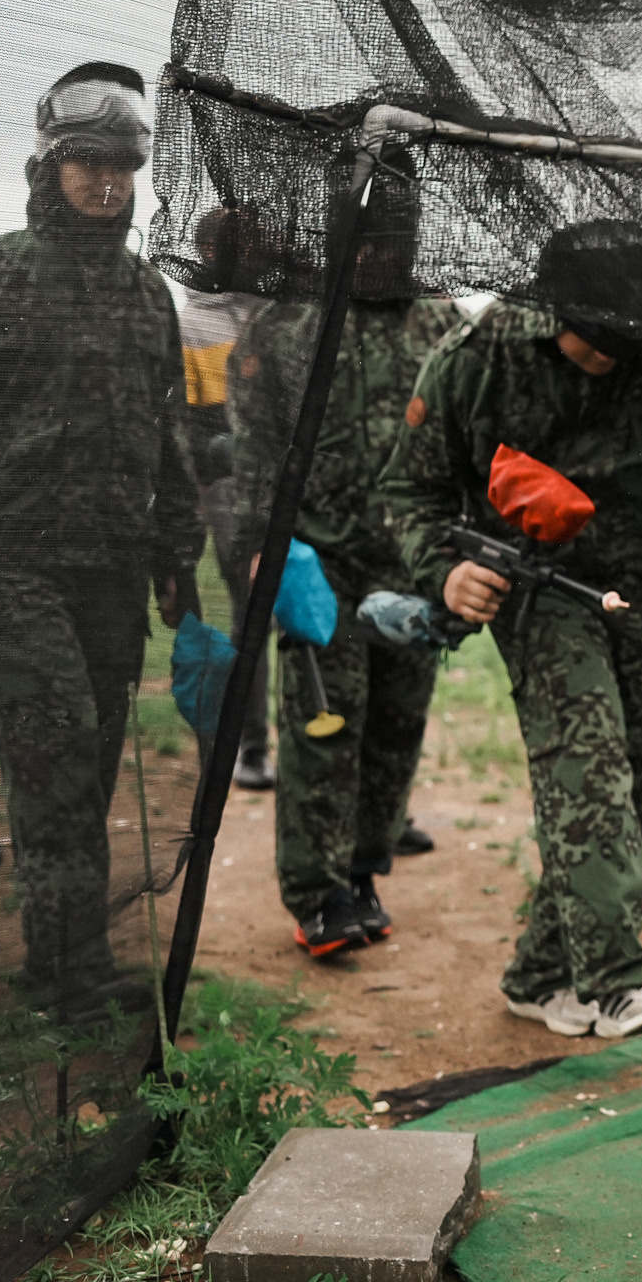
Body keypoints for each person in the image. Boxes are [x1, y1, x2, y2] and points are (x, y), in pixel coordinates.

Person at [383, 218, 642, 1039]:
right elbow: (411, 494)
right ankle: (615, 978)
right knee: (587, 763)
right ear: (556, 315)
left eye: (629, 343)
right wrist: (446, 569)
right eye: (593, 345)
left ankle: (544, 970)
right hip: (542, 589)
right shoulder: (478, 358)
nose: (612, 360)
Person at [0, 63, 204, 1022]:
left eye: (122, 169)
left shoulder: (149, 294)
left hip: (111, 564)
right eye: (89, 166)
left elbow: (167, 436)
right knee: (54, 749)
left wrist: (178, 559)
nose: (108, 185)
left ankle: (69, 952)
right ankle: (67, 966)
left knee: (97, 754)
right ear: (50, 163)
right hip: (10, 561)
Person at [227, 155, 457, 954]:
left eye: (394, 240)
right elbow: (254, 450)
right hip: (320, 569)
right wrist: (261, 549)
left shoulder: (440, 321)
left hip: (415, 569)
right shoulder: (290, 323)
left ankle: (362, 870)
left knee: (397, 726)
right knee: (325, 728)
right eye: (365, 239)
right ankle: (316, 894)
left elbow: (467, 437)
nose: (379, 257)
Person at [181, 205, 280, 788]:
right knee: (251, 611)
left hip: (295, 483)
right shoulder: (193, 324)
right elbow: (189, 424)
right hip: (231, 494)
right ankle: (252, 746)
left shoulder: (282, 312)